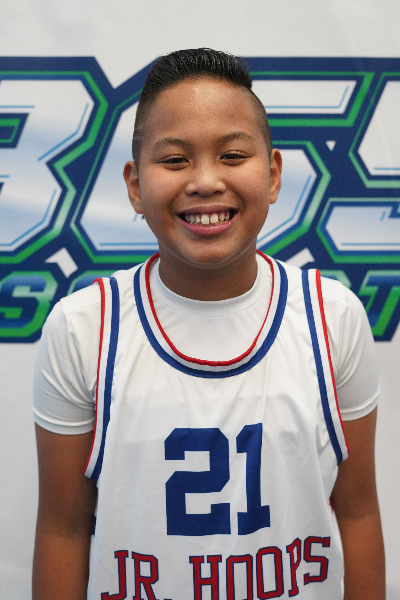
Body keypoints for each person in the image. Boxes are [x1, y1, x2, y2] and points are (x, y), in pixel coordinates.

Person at [32, 48, 385, 600]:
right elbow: (64, 528)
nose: (205, 181)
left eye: (233, 155)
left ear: (273, 175)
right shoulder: (83, 329)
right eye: (174, 160)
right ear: (134, 185)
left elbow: (358, 510)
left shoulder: (332, 317)